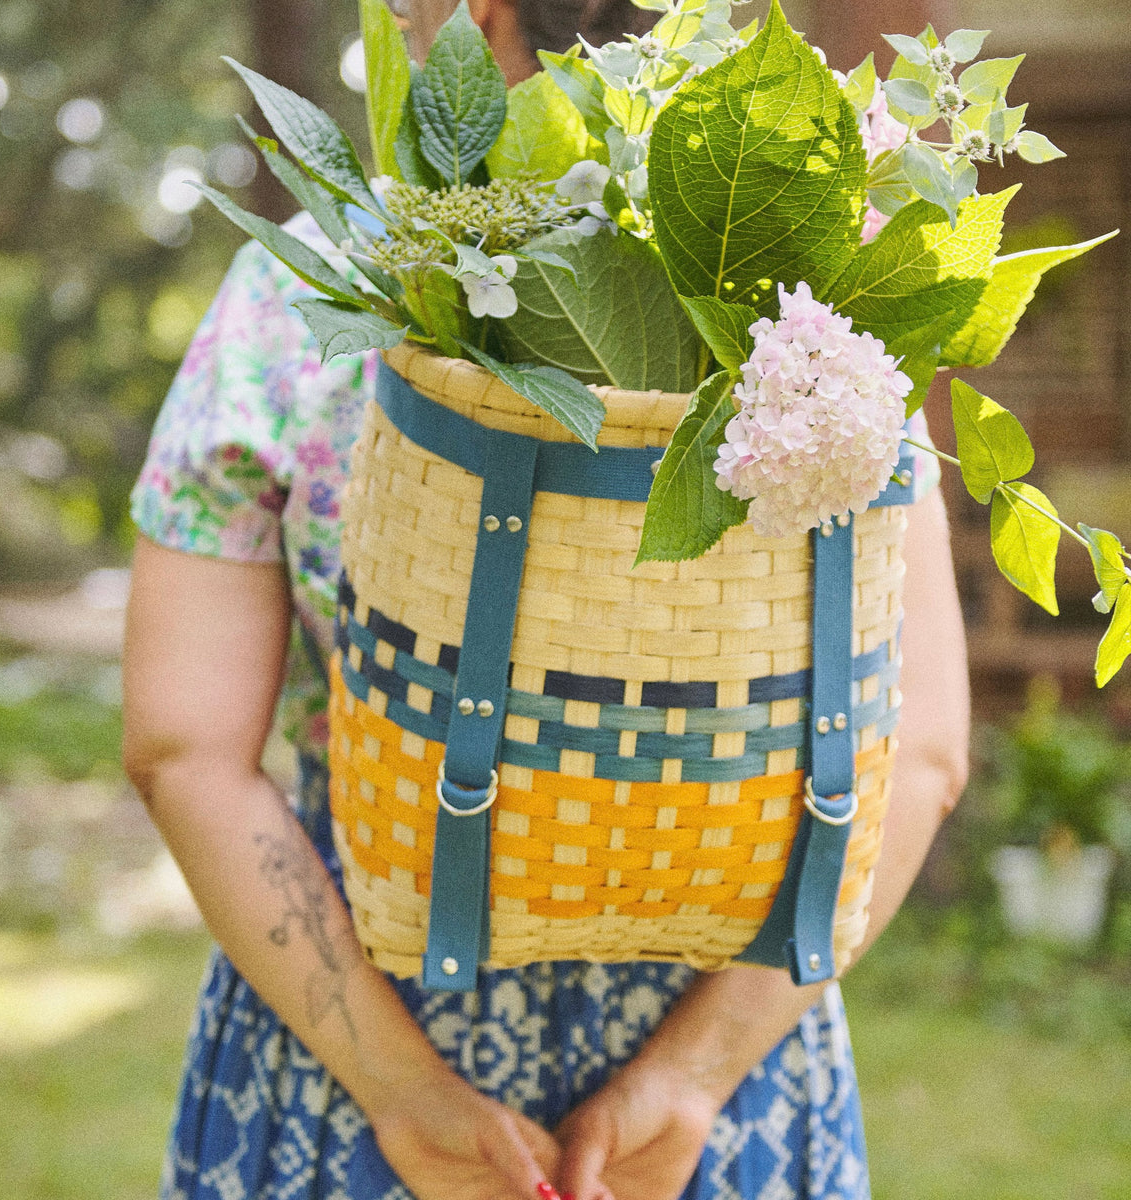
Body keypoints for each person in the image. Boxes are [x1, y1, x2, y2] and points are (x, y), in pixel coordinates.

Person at [122, 1, 971, 1197]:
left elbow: (181, 747)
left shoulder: (310, 298)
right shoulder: (818, 312)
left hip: (359, 1046)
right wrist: (692, 1079)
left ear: (473, 12)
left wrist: (404, 1097)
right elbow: (918, 750)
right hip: (716, 1066)